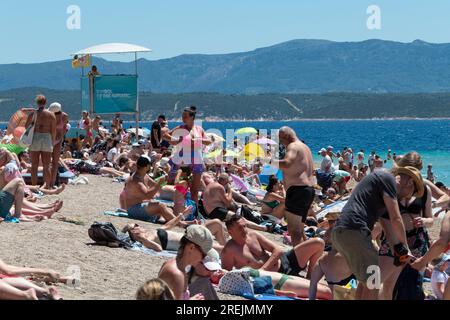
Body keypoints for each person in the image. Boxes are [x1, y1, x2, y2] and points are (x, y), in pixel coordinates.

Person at [332, 167, 422, 300]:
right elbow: (396, 219)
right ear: (409, 183)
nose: (403, 198)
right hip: (355, 230)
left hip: (342, 233)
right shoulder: (388, 179)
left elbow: (388, 228)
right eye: (410, 193)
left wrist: (398, 249)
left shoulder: (378, 187)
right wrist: (406, 247)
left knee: (368, 282)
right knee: (374, 281)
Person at [221, 214, 325, 279]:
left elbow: (278, 250)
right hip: (276, 277)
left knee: (318, 242)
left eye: (245, 226)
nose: (245, 230)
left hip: (285, 260)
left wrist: (262, 270)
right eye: (240, 228)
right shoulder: (229, 251)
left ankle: (309, 278)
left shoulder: (253, 235)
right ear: (230, 231)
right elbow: (227, 276)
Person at [272, 126, 315, 246]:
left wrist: (268, 161)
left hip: (298, 190)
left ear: (286, 137)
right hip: (308, 190)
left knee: (294, 231)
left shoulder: (293, 146)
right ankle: (307, 255)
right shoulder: (305, 147)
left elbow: (287, 163)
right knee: (300, 231)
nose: (281, 144)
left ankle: (298, 262)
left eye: (281, 140)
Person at [165, 106, 212, 205]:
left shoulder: (199, 129)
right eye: (182, 116)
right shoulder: (181, 128)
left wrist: (199, 140)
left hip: (197, 160)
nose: (183, 118)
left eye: (185, 116)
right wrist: (175, 140)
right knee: (180, 186)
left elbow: (209, 141)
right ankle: (180, 207)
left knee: (195, 190)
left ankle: (194, 211)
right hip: (183, 160)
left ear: (192, 117)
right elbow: (165, 135)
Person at [158, 225, 212, 300]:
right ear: (191, 247)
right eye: (203, 255)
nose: (203, 259)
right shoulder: (176, 273)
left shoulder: (178, 267)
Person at [202, 173, 267, 232]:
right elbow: (228, 202)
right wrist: (229, 190)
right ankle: (263, 228)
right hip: (215, 212)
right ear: (224, 180)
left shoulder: (212, 184)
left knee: (236, 213)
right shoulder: (220, 187)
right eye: (227, 182)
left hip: (209, 211)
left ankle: (260, 226)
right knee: (240, 219)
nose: (227, 184)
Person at [122, 156, 176, 224]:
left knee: (168, 208)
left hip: (139, 206)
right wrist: (159, 183)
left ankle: (163, 219)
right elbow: (148, 196)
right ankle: (180, 223)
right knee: (161, 206)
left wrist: (165, 176)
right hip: (133, 210)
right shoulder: (136, 180)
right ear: (147, 166)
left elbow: (155, 186)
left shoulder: (144, 175)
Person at [25, 95, 56, 187]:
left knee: (34, 166)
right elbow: (53, 130)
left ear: (37, 103)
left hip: (35, 136)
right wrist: (52, 142)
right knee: (46, 166)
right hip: (47, 138)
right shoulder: (51, 114)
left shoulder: (33, 114)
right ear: (45, 102)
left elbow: (26, 126)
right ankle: (48, 187)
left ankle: (34, 187)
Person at [48, 103, 68, 188]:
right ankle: (52, 183)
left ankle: (48, 183)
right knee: (55, 163)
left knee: (48, 163)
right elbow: (64, 129)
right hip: (58, 139)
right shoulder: (64, 116)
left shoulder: (49, 115)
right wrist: (61, 138)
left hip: (49, 139)